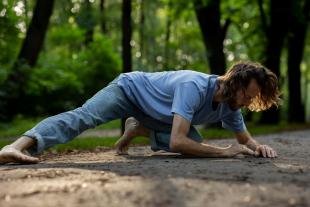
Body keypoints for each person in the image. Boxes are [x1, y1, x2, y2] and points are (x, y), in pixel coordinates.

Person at [0, 61, 280, 164]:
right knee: (83, 117)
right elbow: (178, 142)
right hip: (129, 91)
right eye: (246, 95)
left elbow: (245, 140)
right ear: (234, 82)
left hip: (155, 113)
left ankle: (139, 127)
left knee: (194, 141)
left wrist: (258, 148)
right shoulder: (194, 86)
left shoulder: (231, 104)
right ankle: (15, 147)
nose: (246, 102)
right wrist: (224, 152)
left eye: (252, 99)